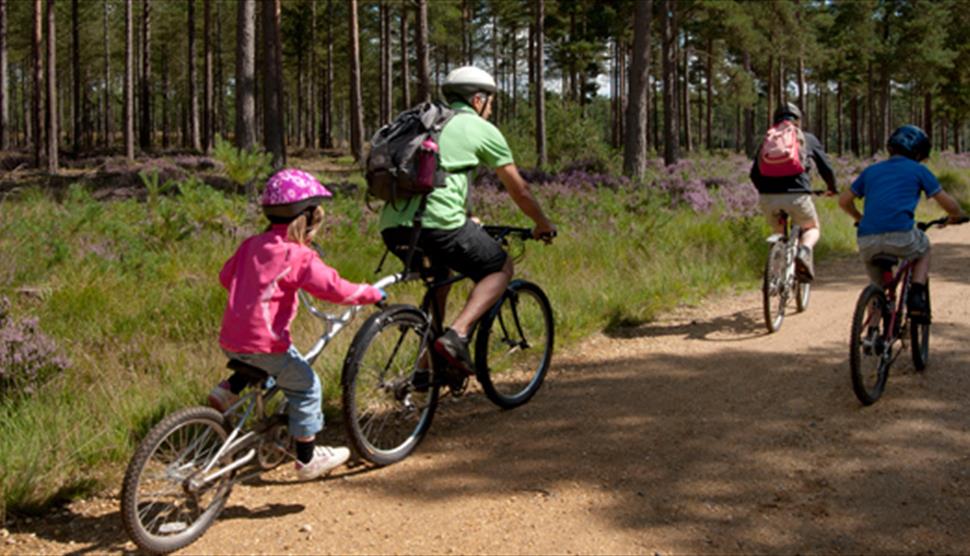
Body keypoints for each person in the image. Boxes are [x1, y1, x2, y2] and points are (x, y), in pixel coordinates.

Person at [209, 169, 385, 481]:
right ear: (308, 217)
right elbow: (335, 289)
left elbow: (226, 277)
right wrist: (370, 293)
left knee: (258, 362)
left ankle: (227, 391)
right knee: (306, 386)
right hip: (266, 343)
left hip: (231, 338)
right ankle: (307, 459)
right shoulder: (298, 255)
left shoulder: (251, 244)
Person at [379, 66, 556, 375]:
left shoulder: (426, 124)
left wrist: (463, 215)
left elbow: (434, 177)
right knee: (499, 266)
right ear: (477, 100)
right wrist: (543, 223)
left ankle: (426, 367)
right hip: (436, 225)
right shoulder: (478, 127)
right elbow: (520, 189)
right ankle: (457, 334)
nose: (490, 109)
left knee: (440, 279)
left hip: (393, 228)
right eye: (490, 103)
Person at [838, 124, 965, 323]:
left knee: (877, 286)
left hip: (866, 240)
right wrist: (957, 215)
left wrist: (859, 218)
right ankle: (916, 293)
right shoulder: (918, 171)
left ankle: (873, 334)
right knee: (923, 249)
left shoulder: (871, 171)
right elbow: (948, 204)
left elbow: (843, 201)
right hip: (901, 236)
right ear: (918, 152)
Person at [751, 102, 838, 282]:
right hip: (797, 196)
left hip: (768, 197)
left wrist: (766, 191)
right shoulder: (807, 138)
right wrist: (832, 187)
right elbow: (826, 168)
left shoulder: (767, 139)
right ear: (798, 120)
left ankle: (776, 275)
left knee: (780, 235)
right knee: (812, 228)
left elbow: (753, 174)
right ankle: (804, 251)